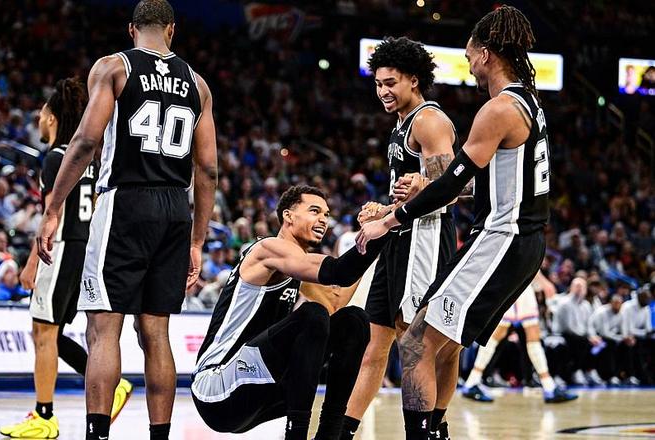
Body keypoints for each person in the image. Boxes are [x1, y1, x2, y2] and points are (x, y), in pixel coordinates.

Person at [356, 6, 551, 439]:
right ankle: (436, 430)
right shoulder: (529, 102)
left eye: (468, 58)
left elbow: (451, 184)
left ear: (485, 54)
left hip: (502, 237)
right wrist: (416, 190)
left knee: (414, 342)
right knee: (441, 343)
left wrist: (391, 217)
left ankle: (424, 434)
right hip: (523, 239)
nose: (469, 67)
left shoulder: (498, 109)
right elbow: (476, 182)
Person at [35, 1, 218, 439]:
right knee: (156, 331)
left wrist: (53, 208)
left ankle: (98, 434)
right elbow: (208, 169)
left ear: (132, 29)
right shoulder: (198, 84)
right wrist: (197, 240)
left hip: (125, 201)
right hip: (175, 208)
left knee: (103, 328)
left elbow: (85, 141)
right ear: (171, 30)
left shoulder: (115, 67)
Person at [192, 185, 389, 440]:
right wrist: (385, 225)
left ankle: (332, 434)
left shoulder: (297, 266)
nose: (323, 220)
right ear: (288, 216)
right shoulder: (268, 249)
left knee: (354, 321)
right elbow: (339, 271)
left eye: (326, 214)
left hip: (256, 389)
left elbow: (337, 300)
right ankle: (296, 434)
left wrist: (372, 235)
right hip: (216, 388)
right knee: (312, 315)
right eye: (314, 211)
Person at [0, 78, 132, 439]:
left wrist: (31, 263)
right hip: (85, 250)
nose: (39, 121)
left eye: (42, 115)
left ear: (52, 118)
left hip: (60, 249)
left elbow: (50, 217)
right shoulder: (89, 158)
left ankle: (44, 416)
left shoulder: (56, 158)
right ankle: (112, 383)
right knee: (51, 332)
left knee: (43, 331)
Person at [340, 36, 459, 440]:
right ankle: (343, 431)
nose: (382, 91)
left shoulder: (429, 121)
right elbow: (411, 192)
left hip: (425, 239)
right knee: (375, 346)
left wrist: (422, 186)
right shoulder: (400, 123)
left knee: (418, 345)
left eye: (390, 83)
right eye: (378, 84)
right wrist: (383, 210)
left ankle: (431, 429)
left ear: (413, 79)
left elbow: (454, 188)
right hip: (397, 236)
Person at [461, 271, 577, 403]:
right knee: (521, 336)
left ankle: (472, 381)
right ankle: (549, 387)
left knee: (504, 336)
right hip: (517, 281)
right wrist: (543, 282)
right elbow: (526, 258)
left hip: (514, 281)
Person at [552, 277, 604, 385]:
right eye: (577, 286)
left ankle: (589, 370)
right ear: (571, 288)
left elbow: (589, 325)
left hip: (578, 335)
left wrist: (593, 336)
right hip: (561, 334)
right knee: (583, 342)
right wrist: (587, 337)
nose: (579, 289)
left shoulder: (586, 305)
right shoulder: (565, 303)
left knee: (599, 343)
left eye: (582, 287)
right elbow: (569, 327)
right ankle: (575, 371)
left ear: (585, 290)